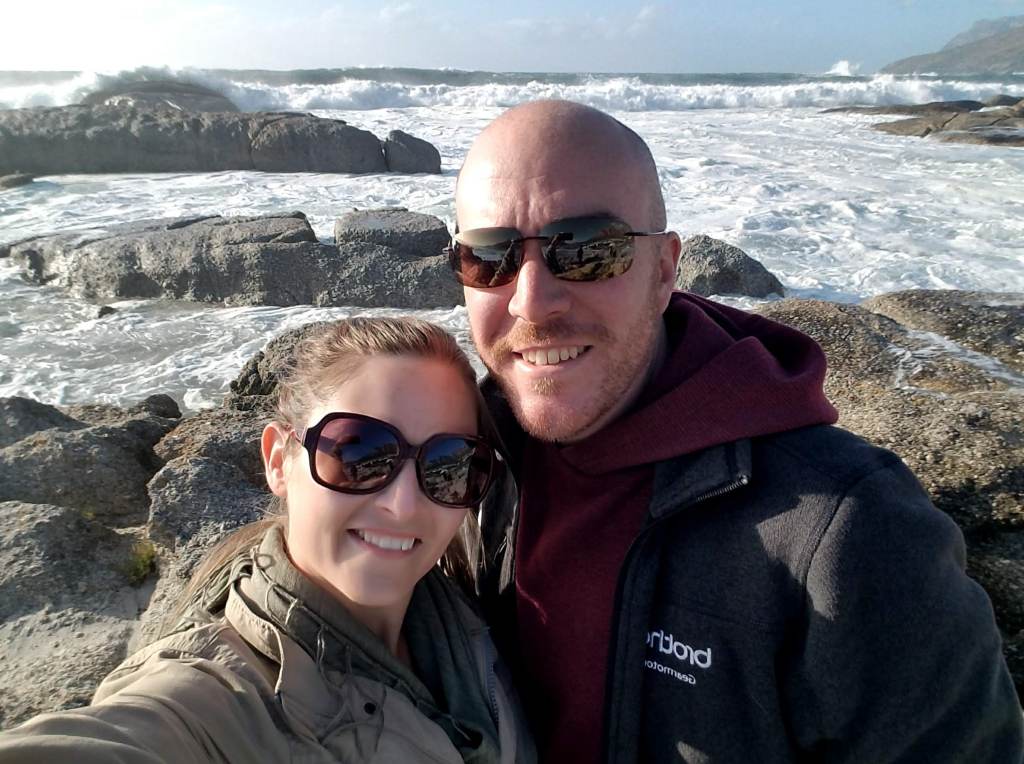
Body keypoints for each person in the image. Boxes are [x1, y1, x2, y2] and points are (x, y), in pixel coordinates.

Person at [449, 99, 1024, 763]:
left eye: (586, 251)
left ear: (664, 270)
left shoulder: (853, 530)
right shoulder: (457, 465)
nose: (531, 300)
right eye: (488, 256)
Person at [0, 317, 535, 764]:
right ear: (279, 460)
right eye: (359, 454)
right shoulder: (214, 700)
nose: (404, 504)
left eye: (448, 466)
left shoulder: (471, 621)